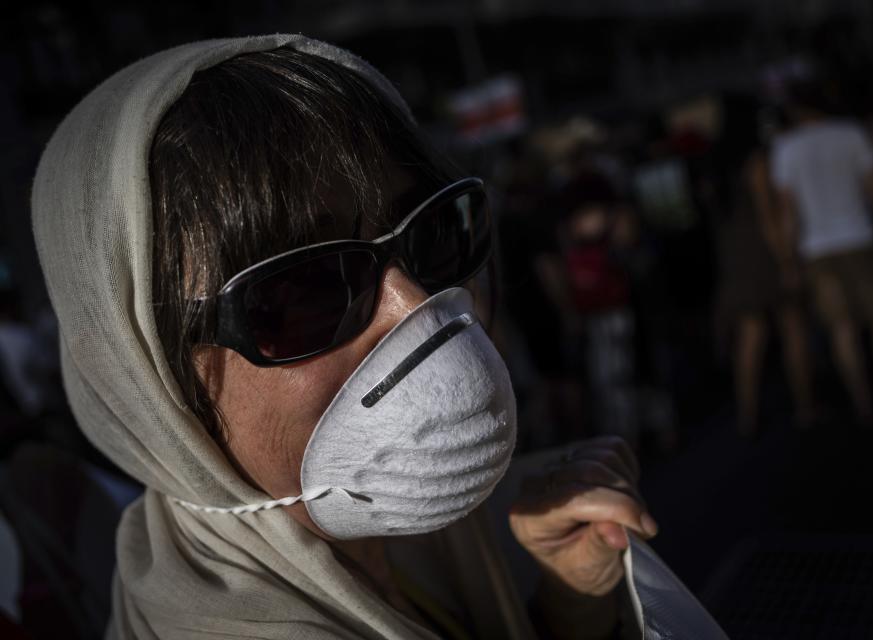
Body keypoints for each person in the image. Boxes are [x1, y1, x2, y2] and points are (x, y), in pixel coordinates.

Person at [31, 36, 657, 639]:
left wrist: (571, 603)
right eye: (305, 289)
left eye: (436, 232)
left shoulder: (409, 539)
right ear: (143, 380)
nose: (413, 306)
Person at [772, 83, 873, 424]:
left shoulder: (786, 148)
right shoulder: (850, 134)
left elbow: (788, 211)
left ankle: (863, 403)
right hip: (860, 235)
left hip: (817, 248)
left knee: (841, 328)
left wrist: (789, 258)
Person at [713, 102, 814, 435]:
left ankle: (747, 413)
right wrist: (786, 260)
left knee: (751, 336)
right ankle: (805, 405)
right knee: (792, 326)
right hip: (762, 252)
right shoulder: (756, 162)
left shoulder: (717, 166)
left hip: (736, 256)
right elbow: (769, 216)